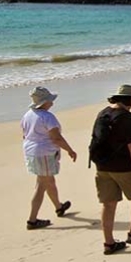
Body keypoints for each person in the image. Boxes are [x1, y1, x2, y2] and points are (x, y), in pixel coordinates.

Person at [91, 84, 131, 255]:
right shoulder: (128, 118)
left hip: (102, 166)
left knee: (108, 204)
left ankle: (109, 243)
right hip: (124, 167)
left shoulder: (102, 114)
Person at [21, 87, 76, 230]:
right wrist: (70, 150)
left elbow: (24, 135)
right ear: (44, 102)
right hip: (44, 153)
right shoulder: (47, 117)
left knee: (48, 181)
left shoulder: (28, 115)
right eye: (50, 100)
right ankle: (32, 220)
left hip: (31, 152)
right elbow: (56, 138)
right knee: (41, 185)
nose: (52, 103)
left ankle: (59, 207)